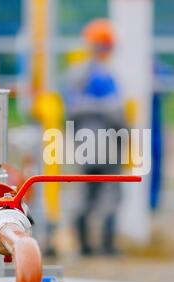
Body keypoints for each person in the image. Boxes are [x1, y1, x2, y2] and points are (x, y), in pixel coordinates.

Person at [62, 19, 127, 255]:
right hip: (107, 143)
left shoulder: (76, 74)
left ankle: (85, 246)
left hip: (86, 145)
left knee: (87, 194)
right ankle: (106, 246)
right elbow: (116, 112)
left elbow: (71, 111)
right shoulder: (103, 76)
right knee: (111, 194)